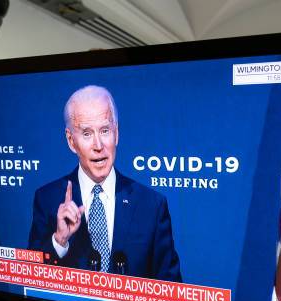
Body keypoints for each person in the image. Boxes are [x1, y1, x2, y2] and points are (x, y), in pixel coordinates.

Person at [28, 85, 181, 282]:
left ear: (116, 133)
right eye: (86, 134)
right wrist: (59, 240)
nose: (98, 146)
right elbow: (30, 278)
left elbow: (171, 290)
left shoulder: (151, 205)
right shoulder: (48, 199)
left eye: (105, 130)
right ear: (70, 141)